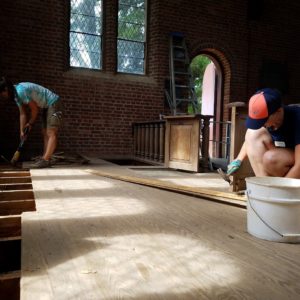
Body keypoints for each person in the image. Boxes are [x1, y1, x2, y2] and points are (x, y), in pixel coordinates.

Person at [226, 88, 300, 178]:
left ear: (279, 111)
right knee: (252, 132)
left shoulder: (297, 118)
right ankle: (264, 182)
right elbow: (250, 141)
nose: (261, 123)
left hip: (296, 162)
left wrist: (282, 190)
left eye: (263, 120)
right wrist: (238, 159)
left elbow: (299, 166)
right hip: (286, 158)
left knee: (271, 159)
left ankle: (278, 190)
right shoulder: (269, 123)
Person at [0, 77, 63, 168]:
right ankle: (46, 158)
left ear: (6, 89)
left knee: (51, 132)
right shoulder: (16, 95)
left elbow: (34, 110)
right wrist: (22, 131)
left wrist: (30, 123)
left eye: (2, 94)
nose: (2, 96)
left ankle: (45, 159)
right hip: (46, 106)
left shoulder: (21, 91)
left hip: (53, 102)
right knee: (45, 132)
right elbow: (22, 114)